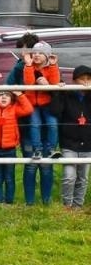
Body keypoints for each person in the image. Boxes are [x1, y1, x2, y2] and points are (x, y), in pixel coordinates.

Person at [0, 89, 38, 204]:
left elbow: (28, 109)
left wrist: (20, 94)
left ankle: (9, 201)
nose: (4, 97)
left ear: (11, 98)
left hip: (10, 150)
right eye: (0, 94)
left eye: (7, 95)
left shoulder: (14, 108)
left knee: (9, 178)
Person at [52, 65, 91, 210]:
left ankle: (78, 206)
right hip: (69, 143)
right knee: (69, 176)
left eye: (88, 79)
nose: (85, 82)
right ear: (75, 81)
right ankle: (67, 205)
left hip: (88, 144)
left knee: (83, 177)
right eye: (82, 79)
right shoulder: (67, 94)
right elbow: (55, 111)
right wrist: (59, 92)